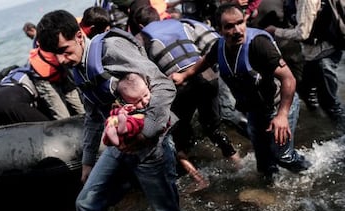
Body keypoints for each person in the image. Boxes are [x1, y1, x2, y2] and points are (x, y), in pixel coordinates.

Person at [36, 10, 189, 211]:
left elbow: (164, 87)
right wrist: (88, 161)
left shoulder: (112, 48)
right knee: (86, 204)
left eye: (63, 51)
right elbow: (93, 115)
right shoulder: (76, 67)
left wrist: (145, 134)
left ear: (79, 36)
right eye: (53, 55)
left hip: (151, 144)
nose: (60, 60)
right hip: (121, 143)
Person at [170, 3, 312, 182]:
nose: (237, 30)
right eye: (229, 26)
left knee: (283, 156)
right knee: (264, 165)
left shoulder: (259, 45)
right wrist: (185, 75)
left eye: (240, 23)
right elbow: (207, 59)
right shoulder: (220, 45)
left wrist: (283, 115)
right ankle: (272, 194)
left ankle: (311, 173)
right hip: (255, 110)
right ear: (219, 29)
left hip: (279, 106)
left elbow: (288, 79)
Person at [132, 5, 240, 190]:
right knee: (212, 127)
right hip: (207, 76)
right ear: (160, 16)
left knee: (174, 136)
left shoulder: (141, 38)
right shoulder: (181, 23)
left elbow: (139, 72)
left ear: (141, 25)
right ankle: (237, 162)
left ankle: (199, 180)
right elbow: (211, 42)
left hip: (180, 85)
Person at [264, 0, 345, 131]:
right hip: (315, 55)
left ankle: (340, 136)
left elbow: (302, 33)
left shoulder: (306, 1)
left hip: (323, 55)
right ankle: (318, 126)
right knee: (306, 92)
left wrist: (276, 31)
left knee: (330, 104)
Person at [102, 73, 147, 147]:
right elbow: (114, 112)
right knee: (111, 120)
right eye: (138, 101)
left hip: (137, 129)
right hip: (122, 128)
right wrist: (122, 111)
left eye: (145, 95)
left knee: (137, 121)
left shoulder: (153, 104)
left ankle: (123, 129)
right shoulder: (129, 107)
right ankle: (113, 137)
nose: (144, 101)